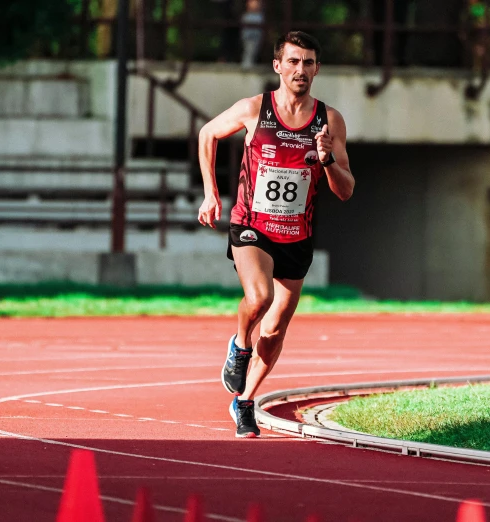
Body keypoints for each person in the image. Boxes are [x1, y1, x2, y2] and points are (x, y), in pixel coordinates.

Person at [197, 31, 355, 438]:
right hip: (252, 226)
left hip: (296, 236)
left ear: (317, 68)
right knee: (260, 298)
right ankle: (239, 344)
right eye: (294, 61)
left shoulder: (329, 120)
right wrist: (211, 194)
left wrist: (326, 159)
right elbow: (207, 134)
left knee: (276, 329)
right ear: (278, 66)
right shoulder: (255, 109)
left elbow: (346, 190)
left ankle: (245, 400)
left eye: (308, 62)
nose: (300, 69)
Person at [240, 0, 264, 69]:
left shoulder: (260, 16)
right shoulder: (246, 16)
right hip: (248, 37)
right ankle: (246, 65)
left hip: (256, 37)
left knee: (254, 51)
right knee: (248, 50)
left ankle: (250, 64)